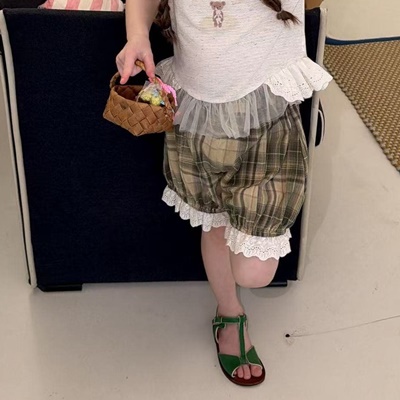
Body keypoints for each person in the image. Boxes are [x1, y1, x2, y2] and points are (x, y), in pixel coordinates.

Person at [116, 0, 332, 386]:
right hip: (197, 113)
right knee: (214, 224)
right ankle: (229, 313)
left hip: (267, 115)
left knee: (254, 271)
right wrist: (137, 35)